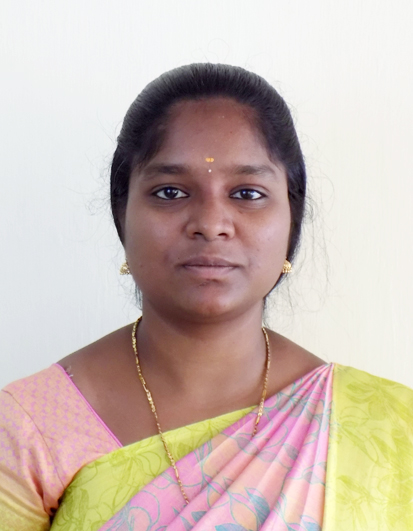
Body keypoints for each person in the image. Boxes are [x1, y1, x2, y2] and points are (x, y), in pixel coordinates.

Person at [0, 63, 412, 531]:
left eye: (247, 193)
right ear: (122, 214)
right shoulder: (29, 426)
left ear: (292, 217)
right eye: (170, 191)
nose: (211, 224)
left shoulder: (389, 428)